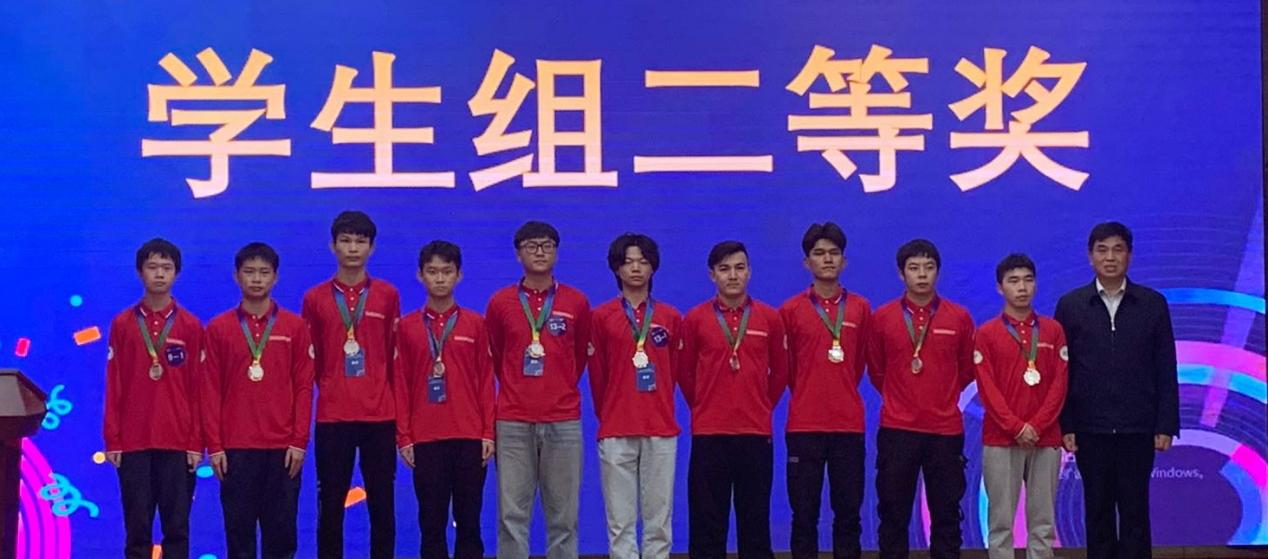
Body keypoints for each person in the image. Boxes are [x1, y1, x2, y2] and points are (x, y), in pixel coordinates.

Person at [1055, 222, 1178, 559]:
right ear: (1090, 256)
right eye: (1102, 250)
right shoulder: (1071, 305)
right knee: (1097, 512)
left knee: (1135, 512)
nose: (1110, 257)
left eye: (1118, 249)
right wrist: (1066, 424)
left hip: (1138, 427)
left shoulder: (1152, 303)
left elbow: (1165, 366)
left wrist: (1165, 424)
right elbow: (1062, 371)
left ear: (1130, 255)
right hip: (1090, 429)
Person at [485, 221, 591, 559]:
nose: (540, 252)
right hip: (513, 420)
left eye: (547, 245)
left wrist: (558, 387)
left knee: (564, 518)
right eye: (531, 246)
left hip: (564, 420)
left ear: (556, 252)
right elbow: (497, 355)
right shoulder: (501, 302)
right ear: (518, 254)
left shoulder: (576, 301)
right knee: (511, 516)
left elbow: (578, 356)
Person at [202, 242, 314, 559]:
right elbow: (210, 390)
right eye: (249, 272)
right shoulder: (219, 328)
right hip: (236, 449)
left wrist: (299, 442)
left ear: (275, 277)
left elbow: (304, 387)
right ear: (236, 276)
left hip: (283, 449)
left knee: (281, 539)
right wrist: (216, 446)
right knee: (239, 539)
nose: (256, 279)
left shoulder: (294, 327)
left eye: (264, 272)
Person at [866, 239, 975, 559]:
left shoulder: (959, 317)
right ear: (901, 274)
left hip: (944, 430)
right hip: (898, 429)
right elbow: (877, 370)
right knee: (893, 512)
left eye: (929, 267)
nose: (922, 275)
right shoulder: (882, 317)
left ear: (938, 272)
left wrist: (942, 395)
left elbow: (966, 371)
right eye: (914, 268)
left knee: (947, 514)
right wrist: (901, 397)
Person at [679, 240, 789, 559]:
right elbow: (684, 374)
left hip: (755, 433)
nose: (732, 275)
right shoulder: (695, 319)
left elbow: (781, 373)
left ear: (749, 272)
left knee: (754, 524)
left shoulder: (769, 317)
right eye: (724, 269)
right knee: (707, 524)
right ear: (712, 275)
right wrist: (704, 405)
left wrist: (760, 404)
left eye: (740, 268)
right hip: (709, 433)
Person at [301, 211, 401, 559]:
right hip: (333, 416)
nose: (353, 248)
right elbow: (313, 359)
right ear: (333, 246)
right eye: (345, 240)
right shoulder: (315, 298)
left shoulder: (387, 295)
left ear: (372, 247)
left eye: (360, 241)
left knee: (382, 504)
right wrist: (333, 386)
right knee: (330, 504)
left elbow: (392, 355)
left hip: (380, 416)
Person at [394, 240, 496, 559]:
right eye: (432, 271)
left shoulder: (476, 324)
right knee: (431, 524)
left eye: (447, 271)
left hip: (469, 436)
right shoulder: (406, 327)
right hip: (426, 438)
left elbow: (485, 381)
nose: (440, 278)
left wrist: (488, 432)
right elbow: (401, 383)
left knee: (469, 523)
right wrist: (404, 436)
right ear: (420, 275)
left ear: (459, 275)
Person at [103, 237, 204, 559]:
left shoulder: (191, 325)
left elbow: (198, 388)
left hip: (178, 442)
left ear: (177, 273)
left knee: (177, 529)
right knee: (137, 529)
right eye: (152, 267)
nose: (159, 274)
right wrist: (114, 439)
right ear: (140, 272)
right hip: (134, 442)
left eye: (167, 268)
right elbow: (115, 382)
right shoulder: (123, 324)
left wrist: (195, 442)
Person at [588, 233, 682, 559]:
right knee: (620, 524)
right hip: (616, 427)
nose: (636, 268)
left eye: (643, 261)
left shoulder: (670, 317)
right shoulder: (600, 317)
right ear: (617, 269)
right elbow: (597, 376)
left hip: (661, 428)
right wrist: (610, 412)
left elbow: (677, 372)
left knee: (659, 522)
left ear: (653, 267)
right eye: (628, 262)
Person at [779, 223, 870, 559]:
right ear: (807, 263)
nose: (827, 259)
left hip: (848, 426)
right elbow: (787, 368)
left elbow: (861, 363)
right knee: (804, 516)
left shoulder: (860, 308)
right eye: (819, 253)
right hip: (804, 426)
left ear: (844, 261)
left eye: (834, 253)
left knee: (848, 515)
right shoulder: (790, 310)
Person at [974, 253, 1068, 559]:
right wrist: (1016, 427)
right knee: (1000, 522)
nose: (1022, 287)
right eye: (1013, 281)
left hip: (1046, 436)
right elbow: (987, 388)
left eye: (1028, 280)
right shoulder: (986, 333)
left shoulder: (1053, 330)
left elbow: (1059, 384)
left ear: (1036, 284)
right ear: (1000, 288)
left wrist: (1037, 426)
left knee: (1043, 522)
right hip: (1001, 437)